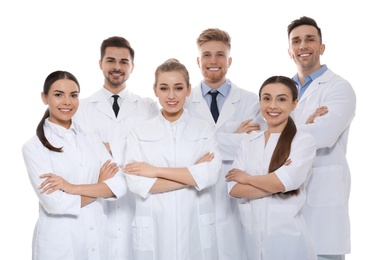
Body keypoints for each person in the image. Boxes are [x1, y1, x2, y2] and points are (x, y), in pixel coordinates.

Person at [22, 70, 128, 260]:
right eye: (58, 95)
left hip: (97, 237)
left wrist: (71, 188)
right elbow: (56, 203)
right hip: (59, 244)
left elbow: (120, 184)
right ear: (44, 97)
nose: (67, 102)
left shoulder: (91, 139)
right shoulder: (34, 147)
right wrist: (100, 186)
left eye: (74, 95)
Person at [122, 58, 222, 259]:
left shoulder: (204, 129)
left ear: (188, 89)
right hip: (155, 225)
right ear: (155, 90)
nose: (171, 95)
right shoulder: (139, 131)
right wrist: (192, 173)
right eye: (164, 88)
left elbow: (211, 175)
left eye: (178, 88)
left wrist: (155, 171)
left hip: (194, 225)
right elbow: (136, 183)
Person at [73, 36, 160, 259]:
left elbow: (154, 149)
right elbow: (79, 154)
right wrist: (130, 148)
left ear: (132, 66)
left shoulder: (147, 106)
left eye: (124, 62)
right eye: (111, 60)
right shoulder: (81, 108)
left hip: (136, 205)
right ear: (100, 63)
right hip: (95, 206)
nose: (117, 67)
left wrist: (107, 147)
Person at [184, 27, 266, 260]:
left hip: (236, 199)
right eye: (207, 55)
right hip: (196, 196)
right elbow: (183, 148)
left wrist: (200, 139)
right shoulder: (184, 101)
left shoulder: (252, 101)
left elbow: (253, 145)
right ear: (198, 60)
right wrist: (235, 133)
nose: (213, 61)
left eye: (220, 54)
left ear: (229, 60)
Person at [225, 75, 317, 259]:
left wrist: (248, 178)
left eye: (281, 99)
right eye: (267, 98)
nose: (272, 105)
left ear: (294, 103)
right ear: (260, 102)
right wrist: (275, 180)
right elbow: (234, 189)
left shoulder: (303, 141)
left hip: (289, 243)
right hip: (252, 243)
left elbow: (282, 183)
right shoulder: (249, 141)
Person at [287, 16, 356, 260]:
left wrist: (282, 128)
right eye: (296, 41)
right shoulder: (282, 91)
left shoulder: (339, 88)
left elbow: (324, 135)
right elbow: (262, 140)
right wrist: (304, 126)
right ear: (289, 50)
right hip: (284, 205)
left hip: (323, 205)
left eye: (310, 39)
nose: (303, 45)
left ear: (322, 47)